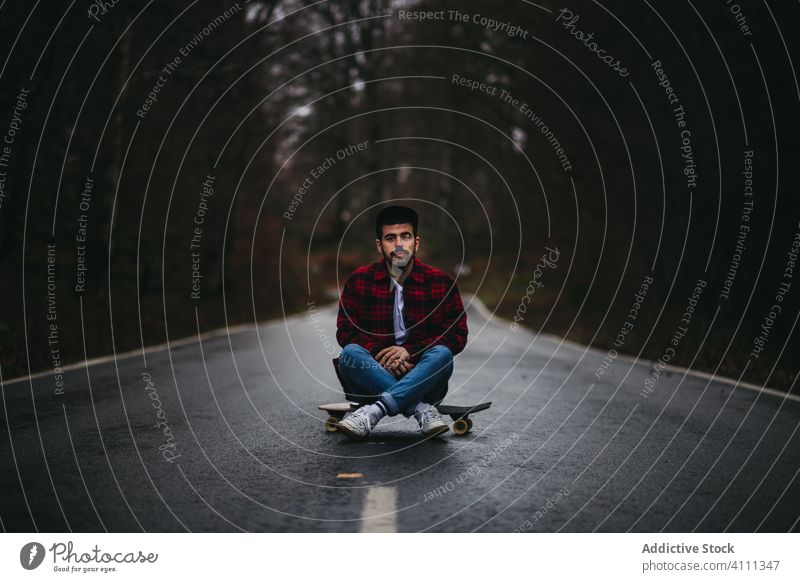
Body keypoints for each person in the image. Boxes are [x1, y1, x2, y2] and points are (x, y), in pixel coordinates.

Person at [334, 205, 468, 440]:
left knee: (442, 354)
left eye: (405, 236)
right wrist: (383, 357)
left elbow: (457, 334)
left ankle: (375, 412)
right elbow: (346, 331)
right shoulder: (358, 281)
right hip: (370, 380)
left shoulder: (441, 283)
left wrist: (409, 353)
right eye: (390, 238)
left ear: (416, 243)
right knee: (349, 354)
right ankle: (421, 410)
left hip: (425, 380)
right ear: (379, 245)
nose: (398, 244)